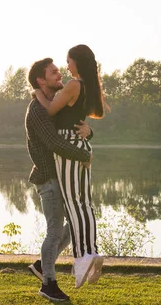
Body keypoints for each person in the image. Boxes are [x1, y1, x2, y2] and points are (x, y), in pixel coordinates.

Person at [34, 44, 107, 288]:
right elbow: (93, 114)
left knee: (75, 204)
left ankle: (83, 257)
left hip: (69, 145)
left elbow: (50, 111)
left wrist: (37, 93)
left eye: (68, 61)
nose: (66, 67)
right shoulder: (88, 85)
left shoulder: (74, 85)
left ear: (77, 61)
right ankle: (91, 252)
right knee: (84, 203)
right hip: (80, 144)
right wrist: (89, 131)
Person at [25, 57, 95, 302]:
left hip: (64, 176)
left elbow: (75, 126)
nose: (59, 74)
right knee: (55, 232)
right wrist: (83, 154)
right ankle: (48, 284)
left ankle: (44, 265)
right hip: (49, 179)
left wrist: (90, 132)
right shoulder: (36, 111)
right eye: (53, 72)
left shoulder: (54, 104)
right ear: (40, 80)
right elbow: (54, 143)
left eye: (58, 70)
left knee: (77, 223)